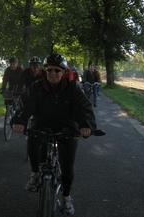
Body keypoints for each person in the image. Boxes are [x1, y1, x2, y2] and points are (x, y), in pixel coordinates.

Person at [11, 53, 97, 216]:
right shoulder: (36, 87)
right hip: (42, 123)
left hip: (67, 126)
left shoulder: (73, 88)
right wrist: (19, 120)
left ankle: (66, 196)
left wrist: (86, 125)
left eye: (57, 70)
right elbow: (26, 106)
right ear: (45, 71)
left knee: (67, 165)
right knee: (34, 141)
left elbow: (83, 108)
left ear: (63, 72)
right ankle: (35, 173)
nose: (53, 74)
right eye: (49, 70)